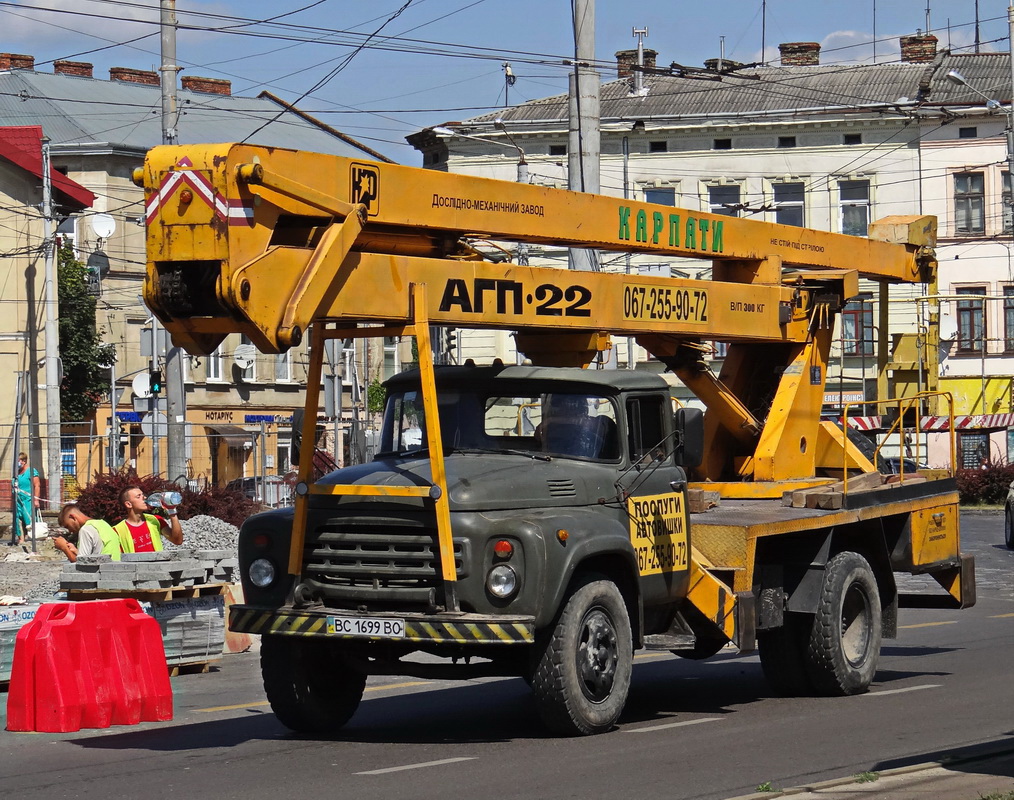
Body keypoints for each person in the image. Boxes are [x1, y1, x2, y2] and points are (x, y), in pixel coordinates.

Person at [112, 485, 183, 554]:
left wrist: (172, 512)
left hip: (157, 565)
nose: (145, 498)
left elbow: (177, 541)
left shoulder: (155, 520)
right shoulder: (117, 531)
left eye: (143, 495)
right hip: (134, 566)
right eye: (138, 496)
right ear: (128, 504)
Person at [54, 503, 123, 562]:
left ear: (72, 517)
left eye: (67, 526)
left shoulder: (86, 530)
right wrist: (76, 551)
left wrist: (64, 548)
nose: (70, 531)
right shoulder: (103, 524)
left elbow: (82, 564)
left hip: (102, 575)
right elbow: (95, 555)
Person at [13, 452, 40, 545]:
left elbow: (37, 485)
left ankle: (33, 539)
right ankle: (21, 539)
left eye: (18, 461)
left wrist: (36, 499)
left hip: (27, 500)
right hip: (17, 500)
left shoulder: (31, 471)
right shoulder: (16, 472)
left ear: (23, 461)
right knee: (17, 519)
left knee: (28, 518)